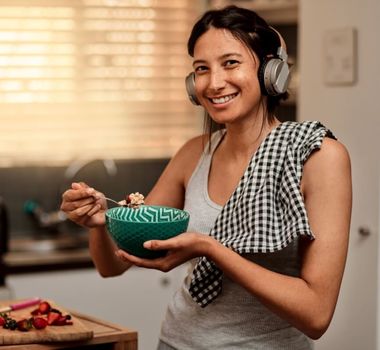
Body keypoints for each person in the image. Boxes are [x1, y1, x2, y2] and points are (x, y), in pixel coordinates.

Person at [60, 5, 352, 350]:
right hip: (175, 342)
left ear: (272, 72)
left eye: (231, 63)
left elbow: (316, 315)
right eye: (201, 69)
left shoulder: (318, 157)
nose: (213, 83)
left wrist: (210, 248)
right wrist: (100, 225)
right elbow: (114, 265)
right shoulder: (193, 153)